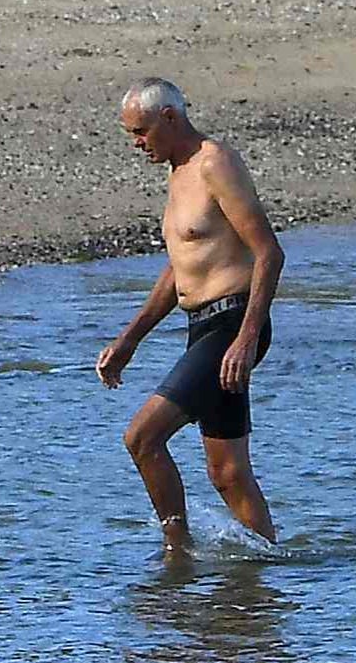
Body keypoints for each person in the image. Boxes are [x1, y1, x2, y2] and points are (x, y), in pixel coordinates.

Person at [93, 78, 280, 559]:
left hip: (232, 326)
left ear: (170, 118)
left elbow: (268, 254)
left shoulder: (215, 163)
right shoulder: (178, 172)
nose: (137, 144)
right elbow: (180, 269)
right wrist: (131, 338)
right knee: (228, 473)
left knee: (142, 436)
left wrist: (246, 338)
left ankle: (176, 552)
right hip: (203, 328)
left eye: (141, 132)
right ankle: (264, 570)